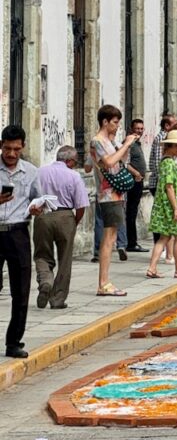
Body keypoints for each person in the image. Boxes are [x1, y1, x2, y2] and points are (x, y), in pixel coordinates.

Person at [0, 125, 43, 357]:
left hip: (18, 232)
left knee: (21, 288)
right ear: (1, 146)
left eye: (16, 149)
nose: (11, 154)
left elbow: (39, 199)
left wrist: (38, 208)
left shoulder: (32, 172)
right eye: (7, 149)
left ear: (23, 147)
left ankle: (14, 341)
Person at [33, 146, 89, 310]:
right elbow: (81, 205)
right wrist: (74, 222)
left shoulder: (40, 172)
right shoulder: (74, 176)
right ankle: (57, 299)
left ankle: (45, 280)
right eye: (75, 161)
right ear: (69, 161)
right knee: (65, 259)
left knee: (42, 254)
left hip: (43, 215)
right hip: (65, 216)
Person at [91, 105, 138, 297]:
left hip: (116, 194)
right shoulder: (97, 141)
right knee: (109, 239)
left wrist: (124, 146)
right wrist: (126, 144)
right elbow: (109, 163)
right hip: (108, 195)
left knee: (111, 237)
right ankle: (103, 282)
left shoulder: (108, 141)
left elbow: (120, 161)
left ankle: (105, 281)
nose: (117, 126)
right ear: (105, 121)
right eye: (115, 122)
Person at [145, 129, 177, 279]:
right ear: (170, 146)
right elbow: (169, 186)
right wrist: (176, 208)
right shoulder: (169, 164)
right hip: (170, 205)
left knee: (164, 237)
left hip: (164, 205)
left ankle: (152, 268)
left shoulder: (165, 162)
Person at [124, 118, 148, 253]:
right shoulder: (130, 143)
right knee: (131, 212)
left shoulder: (137, 143)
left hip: (138, 181)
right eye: (137, 128)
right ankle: (131, 242)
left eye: (141, 128)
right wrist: (136, 173)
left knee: (133, 211)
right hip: (132, 181)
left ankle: (132, 241)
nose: (139, 131)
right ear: (131, 129)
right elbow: (125, 163)